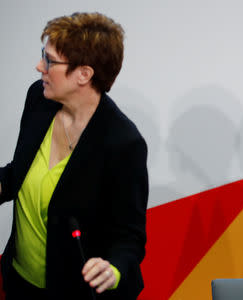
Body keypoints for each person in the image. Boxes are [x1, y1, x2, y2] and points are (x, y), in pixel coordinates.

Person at [0, 12, 149, 300]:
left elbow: (129, 238)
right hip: (19, 280)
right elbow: (18, 173)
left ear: (84, 74)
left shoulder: (123, 143)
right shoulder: (39, 100)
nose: (39, 66)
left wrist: (113, 269)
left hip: (74, 292)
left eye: (50, 60)